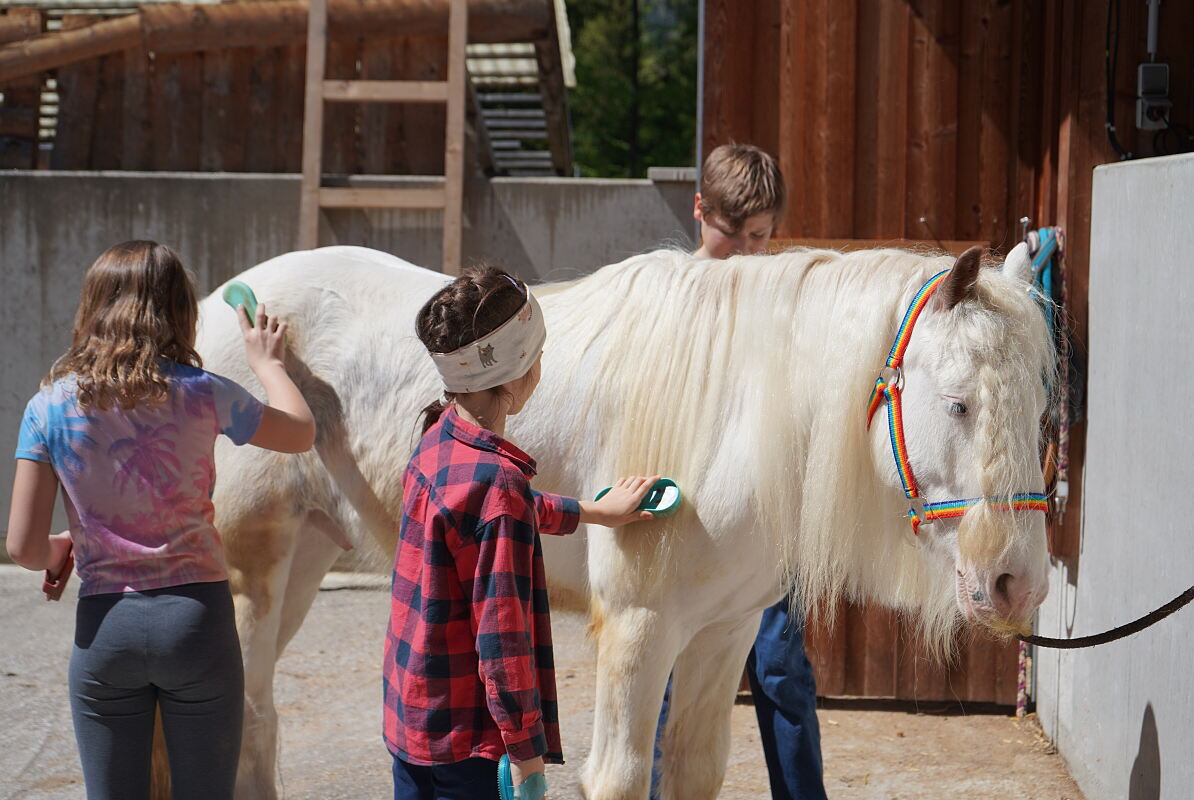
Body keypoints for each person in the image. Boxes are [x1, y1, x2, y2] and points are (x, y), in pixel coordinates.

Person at [5, 240, 316, 800]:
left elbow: (23, 548)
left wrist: (64, 549)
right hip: (196, 623)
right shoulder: (203, 395)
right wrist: (268, 365)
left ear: (91, 308)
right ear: (180, 311)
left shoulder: (46, 407)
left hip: (105, 631)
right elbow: (300, 431)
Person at [384, 265, 660, 800]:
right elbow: (502, 637)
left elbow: (487, 513)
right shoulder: (499, 485)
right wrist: (527, 755)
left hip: (413, 720)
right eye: (537, 355)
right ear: (513, 374)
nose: (541, 366)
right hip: (468, 746)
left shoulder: (439, 439)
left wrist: (590, 511)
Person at [653, 143, 827, 800]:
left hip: (767, 523)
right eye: (734, 236)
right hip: (687, 524)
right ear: (700, 211)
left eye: (762, 237)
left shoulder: (782, 301)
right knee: (669, 675)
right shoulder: (671, 293)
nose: (750, 253)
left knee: (782, 673)